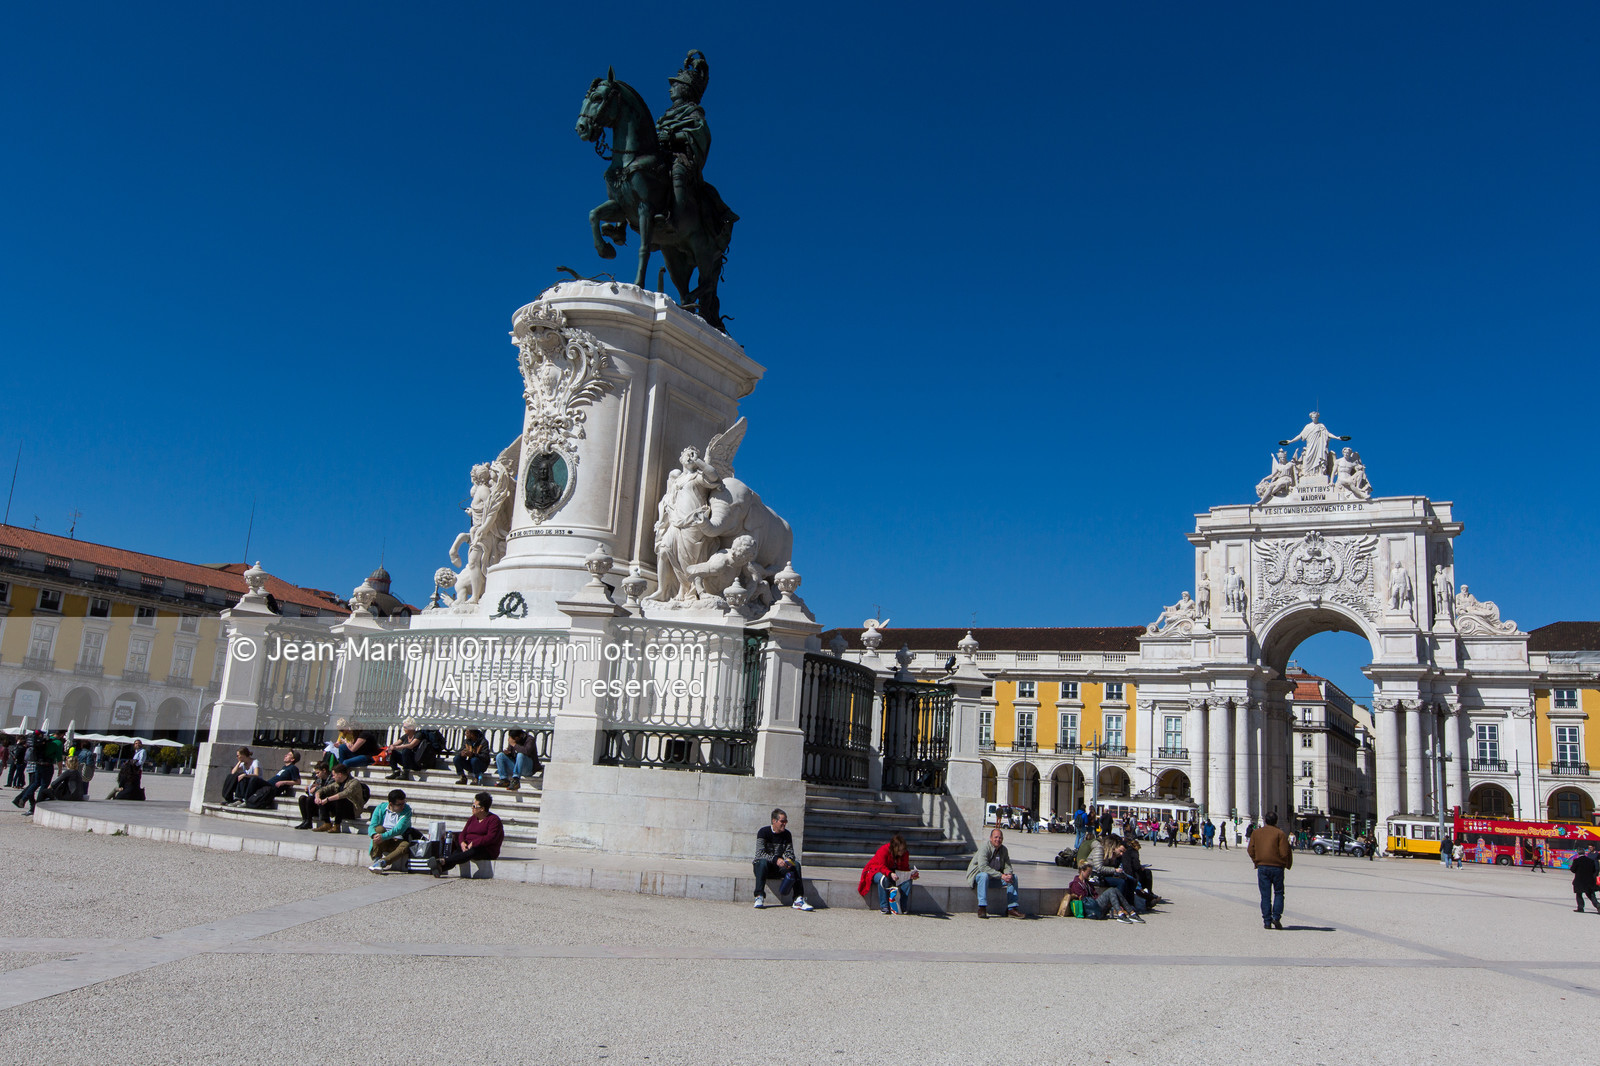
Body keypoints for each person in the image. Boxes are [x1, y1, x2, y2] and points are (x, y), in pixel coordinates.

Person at [429, 792, 504, 877]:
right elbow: (463, 833)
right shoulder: (473, 818)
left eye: (475, 806)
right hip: (469, 846)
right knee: (458, 852)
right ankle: (441, 867)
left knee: (473, 851)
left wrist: (475, 843)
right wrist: (462, 842)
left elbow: (491, 837)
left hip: (485, 849)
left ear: (482, 808)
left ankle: (442, 861)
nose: (472, 808)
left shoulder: (494, 820)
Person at [752, 808, 813, 910]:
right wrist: (776, 859)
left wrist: (789, 860)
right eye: (782, 821)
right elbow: (759, 853)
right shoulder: (763, 832)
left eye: (786, 821)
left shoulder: (787, 834)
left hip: (778, 867)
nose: (784, 824)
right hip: (763, 868)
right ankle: (759, 896)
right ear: (774, 821)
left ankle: (798, 899)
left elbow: (790, 853)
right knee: (761, 862)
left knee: (796, 865)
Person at [1248, 811, 1292, 930]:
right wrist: (1283, 863)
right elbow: (1284, 852)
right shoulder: (1280, 833)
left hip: (1262, 867)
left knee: (1265, 896)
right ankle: (1276, 917)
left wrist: (1256, 860)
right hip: (1277, 867)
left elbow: (1250, 849)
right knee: (1278, 893)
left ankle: (1267, 921)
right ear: (1276, 821)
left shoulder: (1256, 833)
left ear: (1266, 820)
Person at [966, 827, 1023, 918]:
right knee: (984, 875)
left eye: (1000, 838)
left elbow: (1007, 865)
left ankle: (1012, 908)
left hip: (994, 878)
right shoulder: (985, 848)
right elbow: (983, 867)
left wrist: (1008, 874)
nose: (998, 840)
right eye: (995, 837)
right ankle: (982, 907)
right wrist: (1001, 875)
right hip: (979, 877)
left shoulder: (1004, 850)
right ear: (991, 838)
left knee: (1014, 878)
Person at [858, 833, 919, 915]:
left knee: (908, 882)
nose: (902, 852)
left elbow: (904, 868)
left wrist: (911, 875)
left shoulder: (904, 853)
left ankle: (902, 906)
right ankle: (884, 906)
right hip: (876, 870)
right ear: (894, 848)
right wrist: (890, 874)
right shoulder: (883, 850)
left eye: (903, 849)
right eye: (900, 850)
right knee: (884, 879)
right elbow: (881, 866)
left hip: (893, 873)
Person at [1061, 862, 1142, 923]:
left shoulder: (1087, 883)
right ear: (1082, 871)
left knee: (1115, 890)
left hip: (1094, 903)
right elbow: (1083, 898)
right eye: (1088, 872)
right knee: (1111, 890)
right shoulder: (1075, 884)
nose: (1090, 875)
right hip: (1089, 906)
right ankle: (1121, 913)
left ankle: (1131, 913)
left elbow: (1095, 894)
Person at [295, 765, 367, 832]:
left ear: (340, 774)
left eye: (334, 775)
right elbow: (323, 789)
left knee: (339, 799)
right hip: (339, 809)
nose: (333, 777)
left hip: (353, 810)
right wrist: (317, 797)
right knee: (322, 796)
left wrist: (327, 799)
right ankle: (327, 823)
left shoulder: (354, 783)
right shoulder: (337, 783)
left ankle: (337, 825)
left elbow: (344, 794)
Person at [12, 729, 62, 816]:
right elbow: (59, 757)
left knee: (35, 783)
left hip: (38, 764)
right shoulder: (58, 743)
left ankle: (23, 799)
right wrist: (60, 769)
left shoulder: (45, 739)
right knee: (44, 786)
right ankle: (36, 806)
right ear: (61, 735)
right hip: (47, 765)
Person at [367, 789, 415, 873]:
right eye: (399, 804)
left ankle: (382, 862)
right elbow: (372, 825)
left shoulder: (407, 811)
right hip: (383, 840)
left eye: (404, 803)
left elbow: (398, 829)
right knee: (379, 829)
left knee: (405, 845)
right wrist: (374, 834)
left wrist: (383, 836)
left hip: (397, 840)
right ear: (391, 804)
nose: (402, 806)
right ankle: (376, 858)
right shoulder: (380, 808)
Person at [237, 750, 302, 808]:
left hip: (272, 788)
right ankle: (239, 798)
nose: (285, 755)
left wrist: (283, 782)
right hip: (268, 784)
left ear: (292, 759)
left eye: (289, 755)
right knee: (244, 778)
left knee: (254, 779)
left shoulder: (293, 768)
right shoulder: (285, 767)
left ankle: (246, 800)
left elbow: (298, 782)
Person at [1571, 846, 1599, 912]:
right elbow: (1594, 870)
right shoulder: (1590, 861)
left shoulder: (1576, 861)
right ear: (1584, 853)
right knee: (1591, 894)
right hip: (1589, 880)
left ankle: (1580, 908)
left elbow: (1573, 870)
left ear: (1578, 853)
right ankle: (1597, 905)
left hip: (1579, 880)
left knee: (1579, 894)